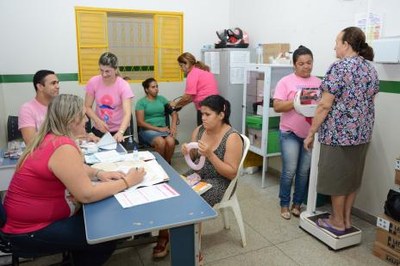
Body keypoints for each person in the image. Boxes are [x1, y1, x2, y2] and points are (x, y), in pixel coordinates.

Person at [1, 94, 146, 265]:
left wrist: (99, 173)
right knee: (106, 235)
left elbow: (68, 168)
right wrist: (128, 181)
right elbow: (86, 195)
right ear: (71, 120)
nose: (86, 120)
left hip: (20, 224)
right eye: (83, 115)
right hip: (29, 231)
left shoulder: (49, 138)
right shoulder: (62, 146)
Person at [304, 27, 379, 234]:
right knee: (352, 179)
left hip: (338, 135)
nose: (334, 46)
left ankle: (337, 221)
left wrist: (311, 132)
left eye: (337, 42)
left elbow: (324, 105)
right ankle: (345, 218)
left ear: (346, 44)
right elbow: (370, 101)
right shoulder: (370, 69)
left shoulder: (339, 68)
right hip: (362, 135)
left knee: (337, 179)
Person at [273, 46, 322, 220]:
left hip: (310, 134)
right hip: (289, 133)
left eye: (309, 62)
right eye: (301, 63)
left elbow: (322, 108)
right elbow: (277, 106)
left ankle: (297, 204)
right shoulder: (285, 82)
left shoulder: (318, 83)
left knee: (304, 171)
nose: (306, 66)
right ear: (294, 65)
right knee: (289, 170)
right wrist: (296, 101)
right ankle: (284, 204)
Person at [85, 52, 134, 146]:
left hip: (120, 130)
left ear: (115, 70)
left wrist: (121, 132)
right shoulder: (93, 82)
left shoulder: (123, 85)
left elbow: (127, 113)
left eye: (108, 71)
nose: (104, 74)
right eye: (101, 70)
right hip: (100, 129)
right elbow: (87, 106)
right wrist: (98, 121)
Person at [135, 78, 178, 164]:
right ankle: (160, 165)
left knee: (171, 141)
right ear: (147, 89)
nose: (156, 89)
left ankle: (166, 164)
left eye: (157, 86)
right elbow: (140, 122)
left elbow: (174, 114)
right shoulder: (141, 103)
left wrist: (173, 127)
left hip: (163, 129)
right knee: (160, 142)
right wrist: (158, 129)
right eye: (153, 87)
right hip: (147, 130)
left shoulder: (162, 99)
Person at [170, 52, 219, 126]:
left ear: (187, 64)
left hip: (206, 109)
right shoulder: (202, 71)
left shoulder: (192, 74)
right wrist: (178, 106)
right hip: (215, 107)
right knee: (211, 133)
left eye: (181, 66)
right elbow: (191, 98)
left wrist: (175, 105)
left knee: (203, 133)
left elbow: (187, 97)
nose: (181, 69)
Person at [18, 70, 59, 145]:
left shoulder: (59, 106)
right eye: (53, 83)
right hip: (41, 153)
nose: (57, 86)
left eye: (57, 83)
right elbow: (31, 142)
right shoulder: (27, 109)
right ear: (40, 87)